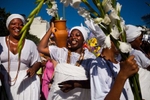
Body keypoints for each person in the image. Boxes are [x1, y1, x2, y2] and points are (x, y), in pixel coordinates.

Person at [38, 22, 96, 100]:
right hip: (58, 96)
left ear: (84, 40)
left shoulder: (90, 57)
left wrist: (75, 84)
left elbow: (94, 82)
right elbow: (41, 48)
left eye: (77, 35)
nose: (73, 37)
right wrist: (50, 30)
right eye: (71, 35)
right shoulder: (62, 52)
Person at [0, 14, 41, 100]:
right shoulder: (0, 41)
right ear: (8, 26)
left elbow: (37, 61)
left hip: (25, 82)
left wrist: (33, 69)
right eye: (13, 23)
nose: (17, 26)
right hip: (3, 81)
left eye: (21, 24)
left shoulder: (30, 44)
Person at [126, 24, 150, 100]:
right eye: (139, 39)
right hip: (142, 89)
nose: (141, 42)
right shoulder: (137, 53)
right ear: (132, 39)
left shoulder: (124, 53)